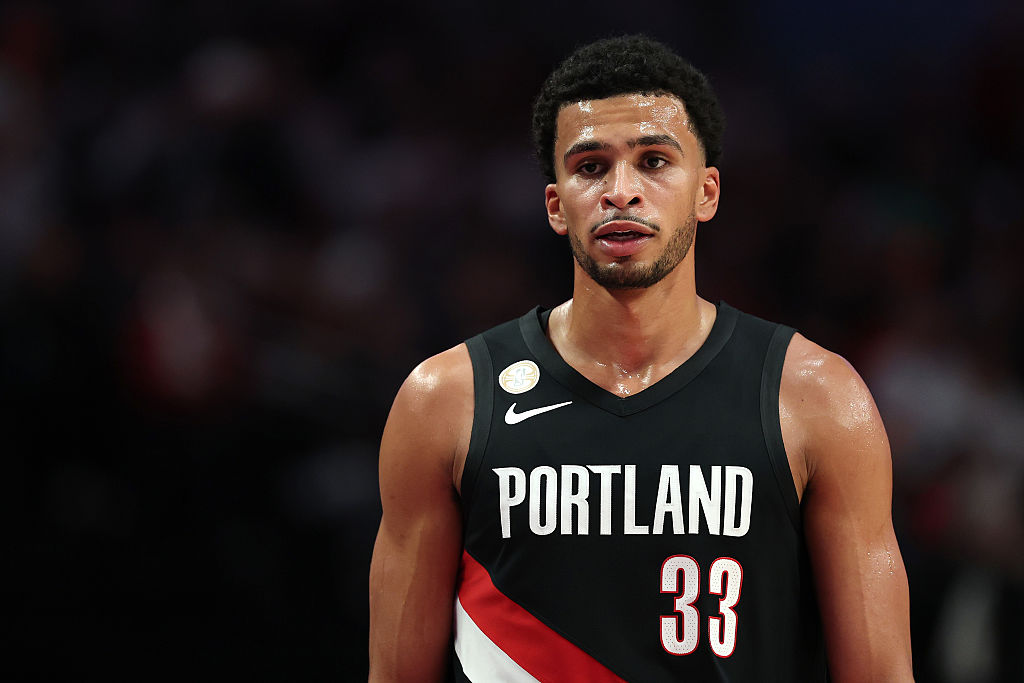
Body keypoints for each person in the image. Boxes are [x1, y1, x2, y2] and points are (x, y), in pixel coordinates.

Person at [368, 35, 913, 682]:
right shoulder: (444, 399)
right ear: (555, 205)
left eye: (654, 161)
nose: (621, 191)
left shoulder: (818, 397)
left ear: (706, 193)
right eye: (591, 166)